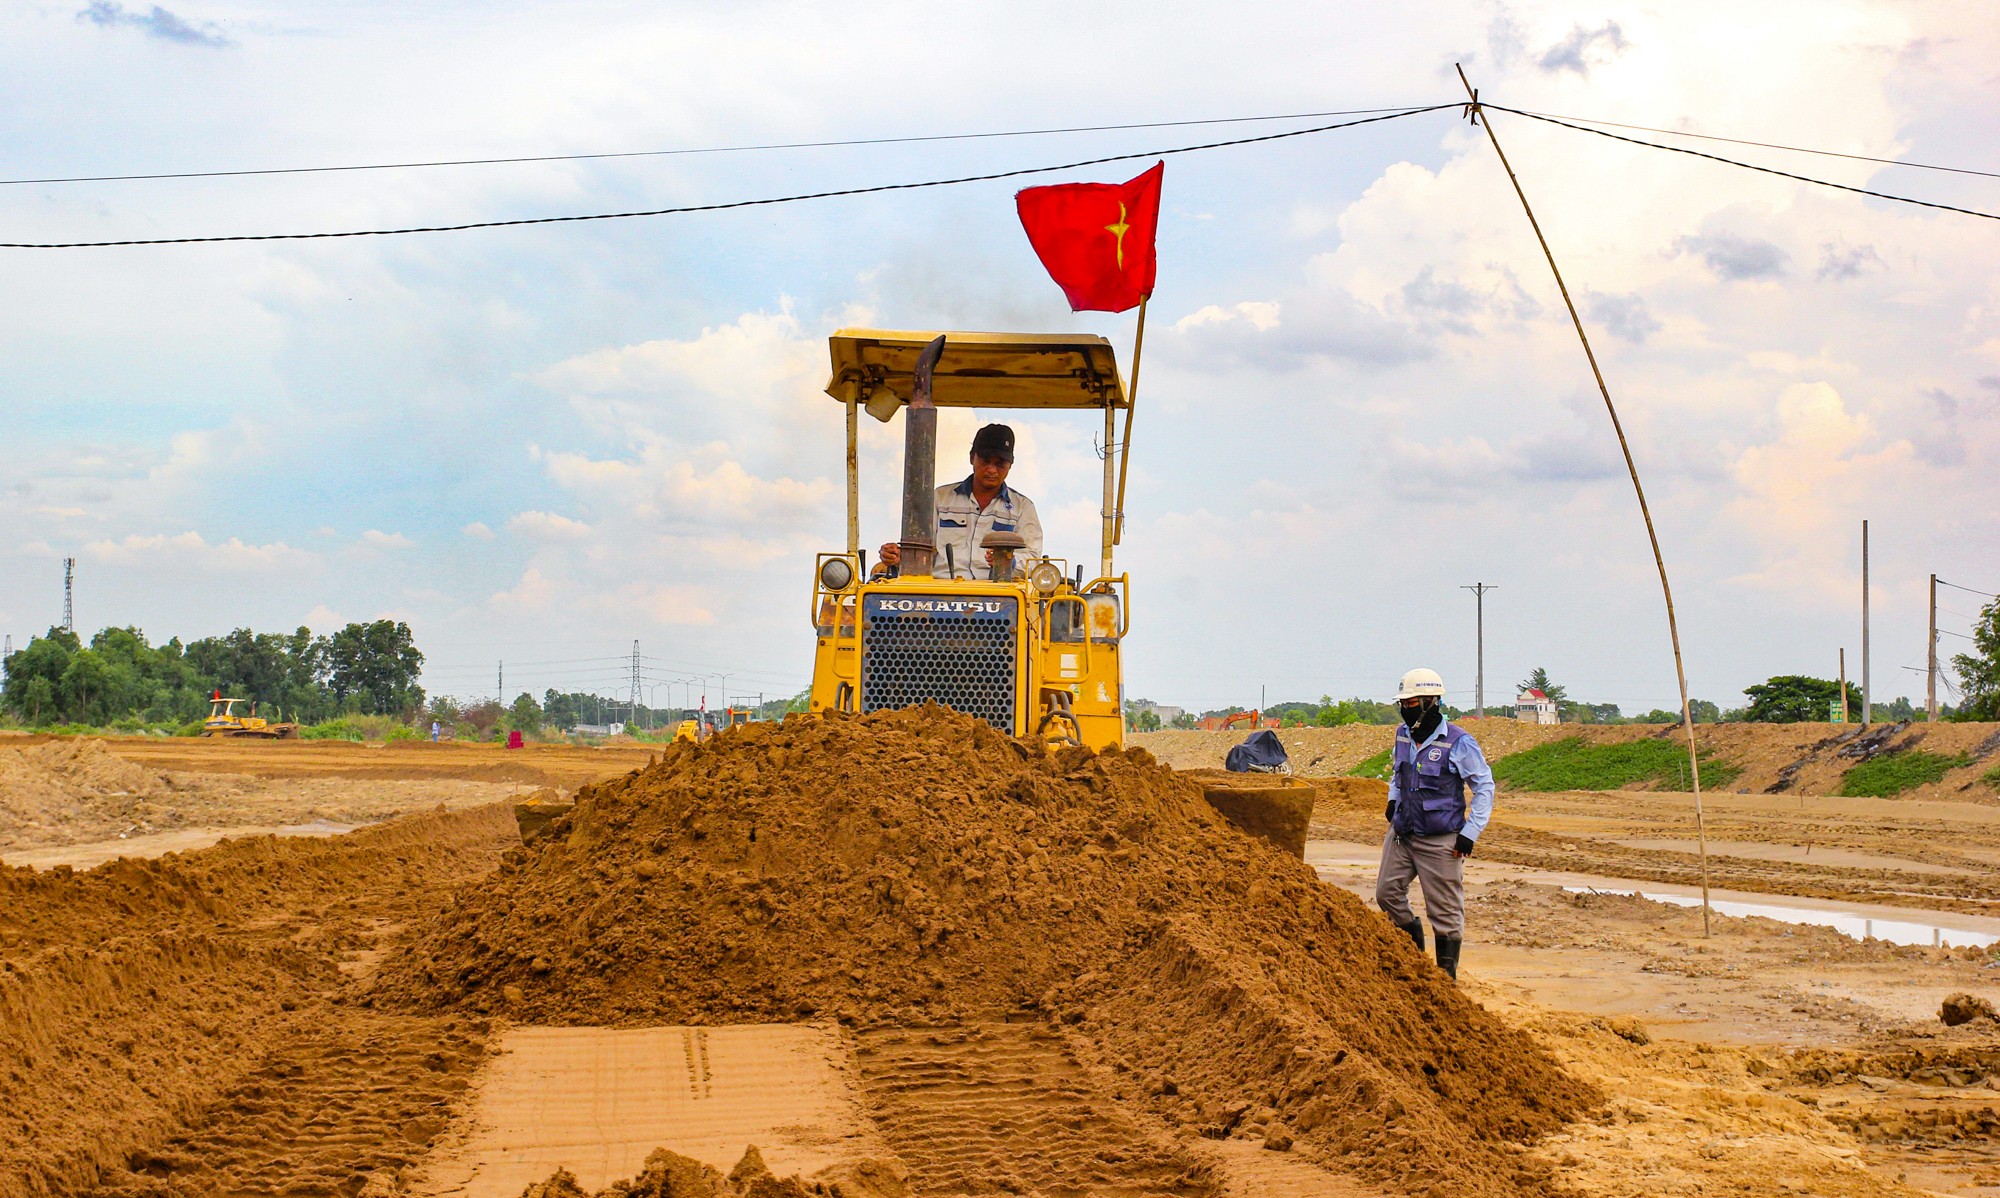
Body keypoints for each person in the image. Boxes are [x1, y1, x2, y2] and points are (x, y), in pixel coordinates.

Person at [1375, 667, 1495, 980]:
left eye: (1411, 703)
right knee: (1386, 893)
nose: (1405, 709)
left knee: (1444, 911)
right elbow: (1397, 773)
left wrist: (1469, 833)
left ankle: (1444, 978)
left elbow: (1484, 787)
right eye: (1402, 703)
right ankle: (1414, 959)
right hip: (1403, 833)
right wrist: (1392, 798)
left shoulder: (1459, 743)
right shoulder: (1402, 735)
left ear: (1431, 702)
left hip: (1440, 838)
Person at [877, 423, 1044, 580]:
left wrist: (1008, 562)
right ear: (972, 457)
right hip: (940, 593)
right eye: (985, 461)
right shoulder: (940, 498)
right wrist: (899, 557)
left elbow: (1033, 559)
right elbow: (921, 550)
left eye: (1000, 464)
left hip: (999, 595)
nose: (992, 470)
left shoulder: (1022, 507)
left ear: (1010, 465)